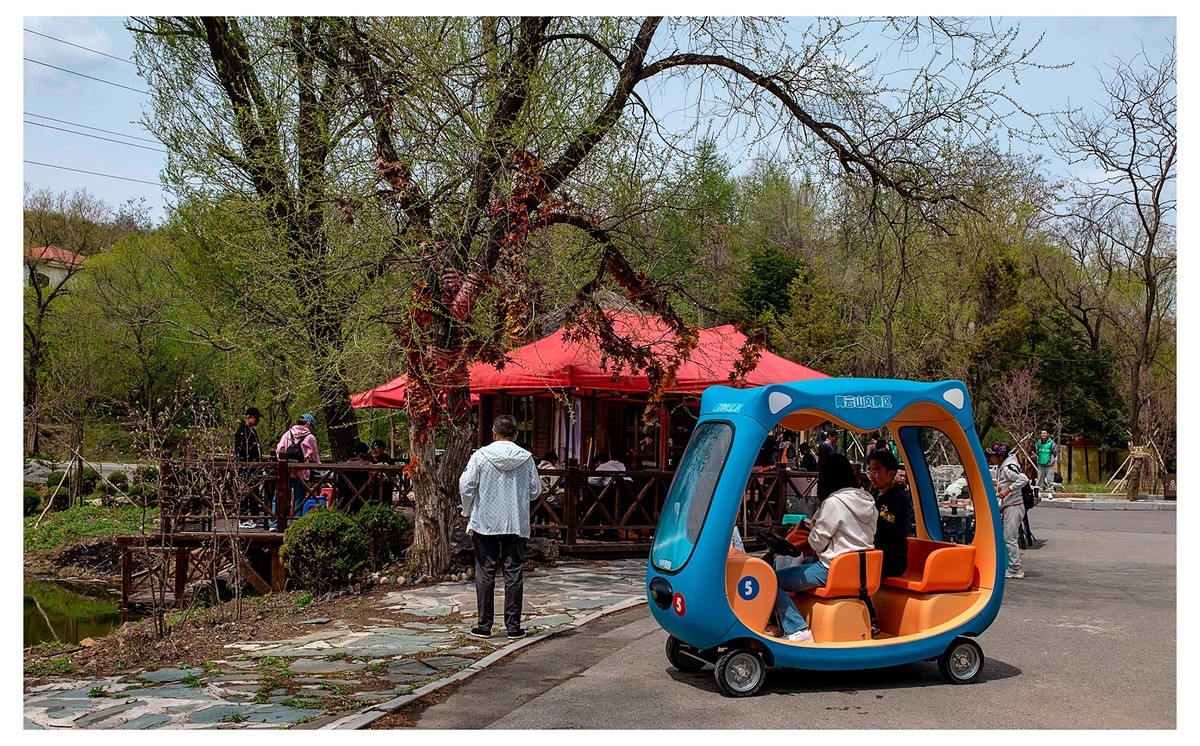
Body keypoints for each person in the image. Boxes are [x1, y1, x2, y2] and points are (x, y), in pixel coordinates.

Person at [770, 453, 878, 642]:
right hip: (861, 571)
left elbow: (816, 543)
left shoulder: (833, 503)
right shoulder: (868, 501)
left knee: (770, 580)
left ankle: (797, 628)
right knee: (804, 564)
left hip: (831, 570)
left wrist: (814, 527)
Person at [459, 414, 542, 639]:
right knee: (513, 573)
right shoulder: (526, 458)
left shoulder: (481, 456)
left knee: (485, 572)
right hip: (515, 521)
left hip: (485, 521)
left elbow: (466, 485)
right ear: (515, 435)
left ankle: (484, 625)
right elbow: (536, 490)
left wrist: (468, 509)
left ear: (493, 433)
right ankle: (513, 626)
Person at [986, 443, 1029, 579]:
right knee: (1008, 537)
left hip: (1014, 506)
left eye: (993, 455)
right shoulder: (1003, 467)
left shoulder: (1008, 468)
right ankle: (1013, 566)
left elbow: (1023, 479)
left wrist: (1007, 490)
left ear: (1000, 456)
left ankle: (1015, 569)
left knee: (1010, 538)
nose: (990, 458)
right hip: (1009, 505)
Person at [866, 449, 911, 579]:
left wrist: (876, 520)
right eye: (870, 471)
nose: (872, 476)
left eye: (876, 471)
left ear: (891, 474)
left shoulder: (899, 498)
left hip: (892, 558)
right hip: (874, 553)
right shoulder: (872, 495)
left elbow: (902, 531)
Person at [274, 413, 320, 530]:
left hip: (286, 472)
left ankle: (275, 523)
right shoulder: (310, 438)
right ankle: (295, 524)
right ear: (308, 424)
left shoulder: (287, 434)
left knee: (280, 496)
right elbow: (315, 458)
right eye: (312, 426)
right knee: (299, 499)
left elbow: (279, 450)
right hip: (302, 472)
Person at [367, 438, 399, 505]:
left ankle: (386, 507)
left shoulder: (387, 458)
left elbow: (393, 473)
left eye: (378, 448)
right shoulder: (367, 458)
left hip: (384, 482)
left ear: (383, 449)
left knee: (387, 486)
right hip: (369, 482)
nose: (375, 450)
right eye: (373, 448)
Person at [1034, 429, 1058, 494]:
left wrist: (1052, 460)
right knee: (1040, 478)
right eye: (1042, 433)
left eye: (1044, 433)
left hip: (1049, 464)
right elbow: (1037, 452)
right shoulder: (1038, 443)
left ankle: (1050, 491)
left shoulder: (1052, 443)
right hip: (1040, 463)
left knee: (1049, 479)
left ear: (1047, 434)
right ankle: (1039, 490)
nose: (1043, 435)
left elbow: (1055, 452)